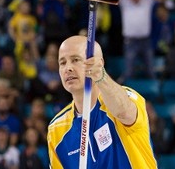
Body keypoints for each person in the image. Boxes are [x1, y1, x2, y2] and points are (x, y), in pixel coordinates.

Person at [47, 36, 157, 168]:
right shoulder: (56, 129)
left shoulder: (126, 96)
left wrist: (101, 77)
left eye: (75, 60)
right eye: (62, 63)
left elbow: (125, 113)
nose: (68, 68)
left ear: (98, 63)